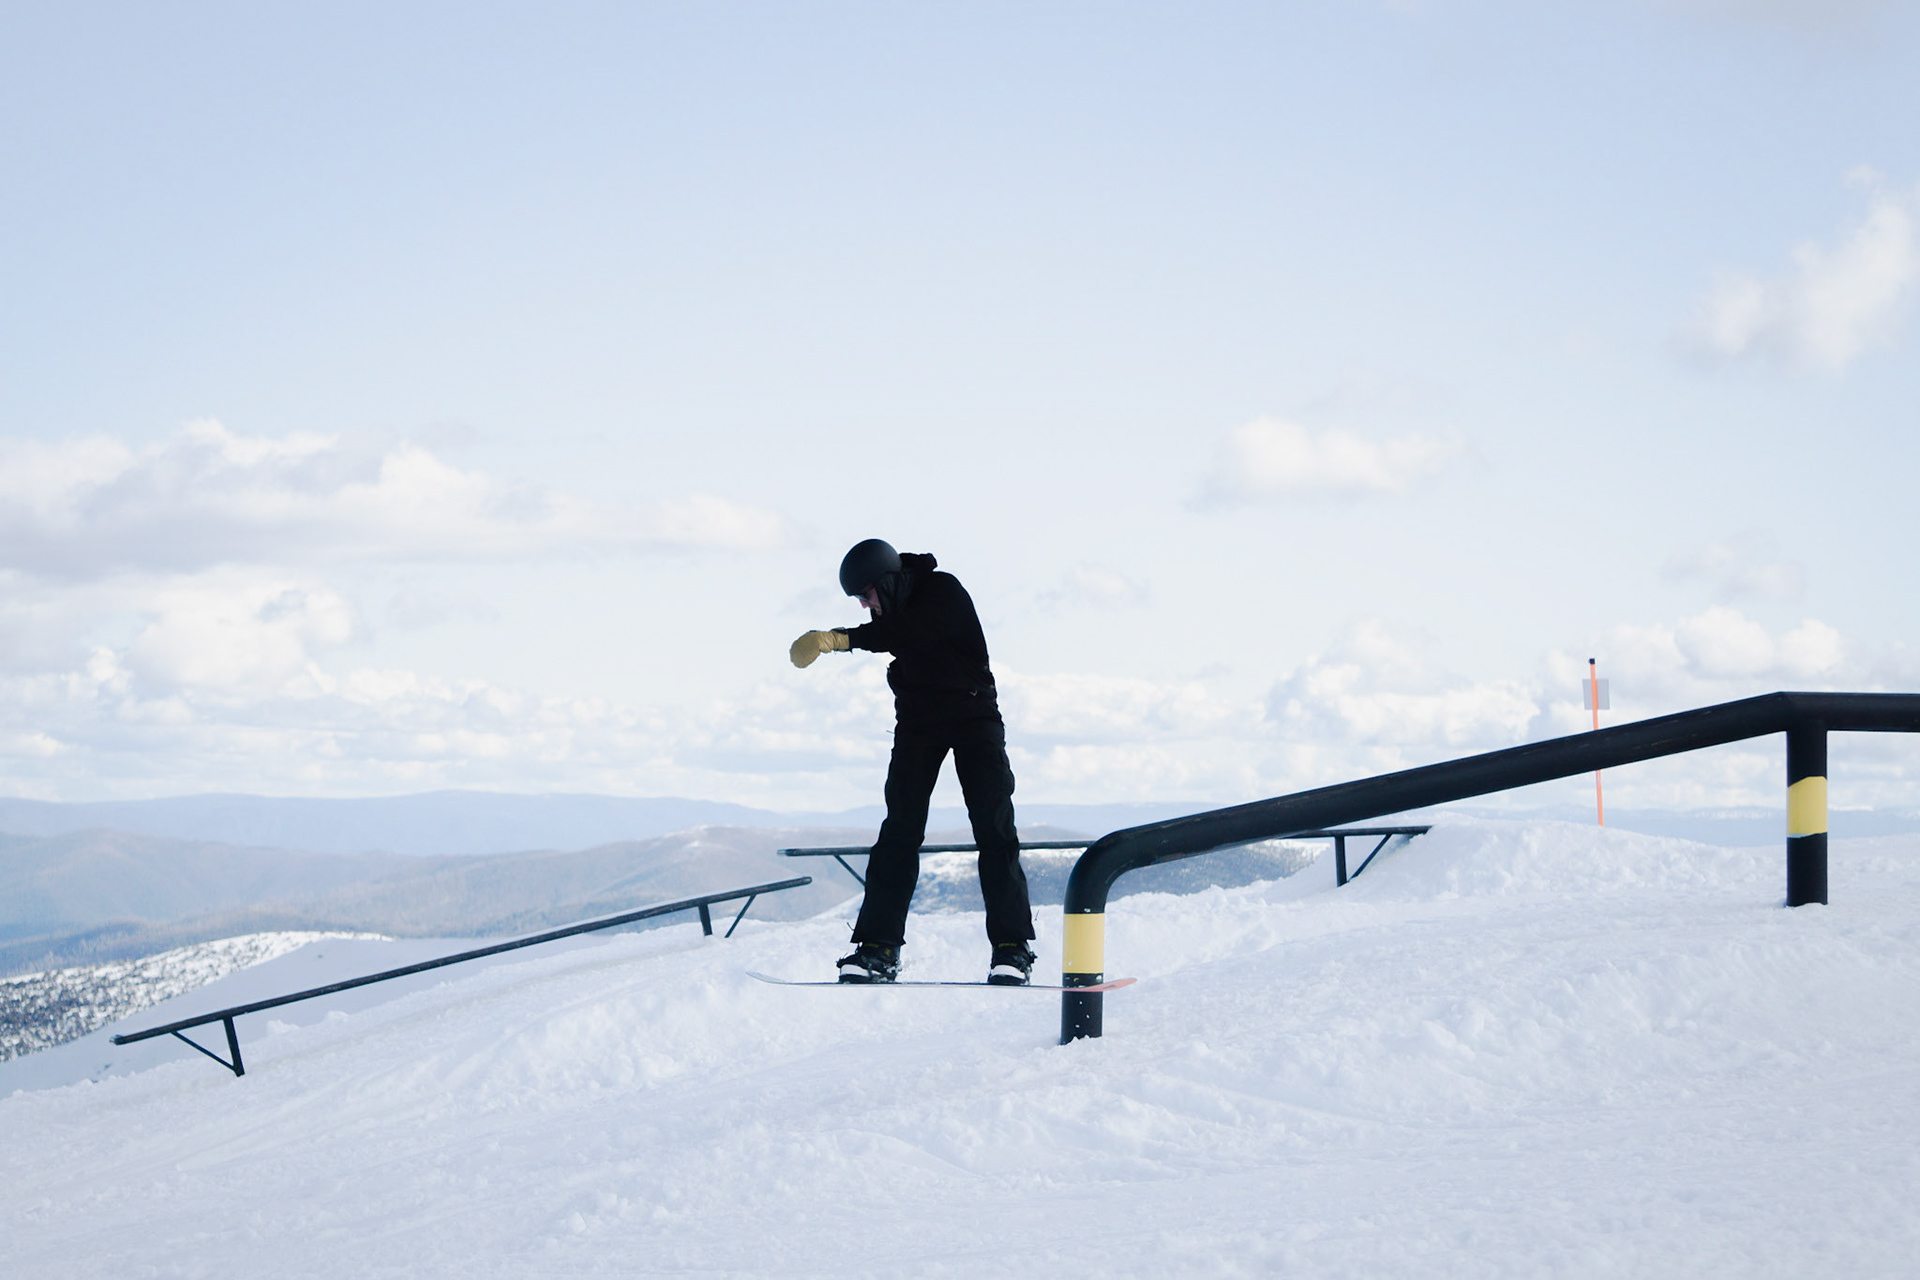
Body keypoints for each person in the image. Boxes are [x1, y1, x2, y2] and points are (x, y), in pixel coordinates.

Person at [789, 539, 1037, 985]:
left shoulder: (942, 591)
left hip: (974, 716)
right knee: (898, 833)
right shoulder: (891, 612)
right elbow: (894, 633)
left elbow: (907, 632)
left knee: (994, 829)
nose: (864, 605)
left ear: (887, 581)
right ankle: (878, 949)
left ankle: (1011, 949)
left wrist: (838, 639)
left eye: (866, 594)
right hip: (919, 724)